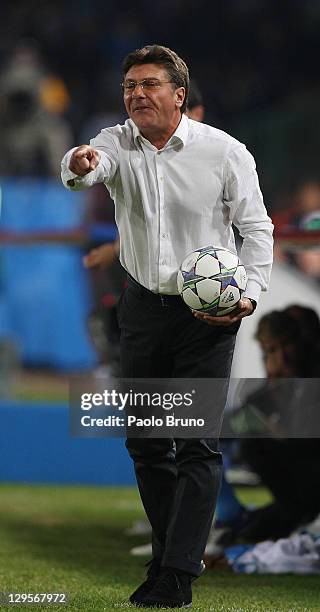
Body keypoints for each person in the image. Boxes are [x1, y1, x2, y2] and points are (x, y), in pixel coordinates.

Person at [61, 45, 273, 608]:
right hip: (142, 311)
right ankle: (168, 558)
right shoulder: (114, 142)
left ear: (179, 96)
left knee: (198, 446)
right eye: (129, 85)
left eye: (148, 84)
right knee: (148, 444)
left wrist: (247, 300)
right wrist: (79, 164)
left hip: (207, 317)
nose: (135, 94)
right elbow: (86, 169)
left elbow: (257, 230)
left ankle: (177, 574)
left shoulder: (226, 153)